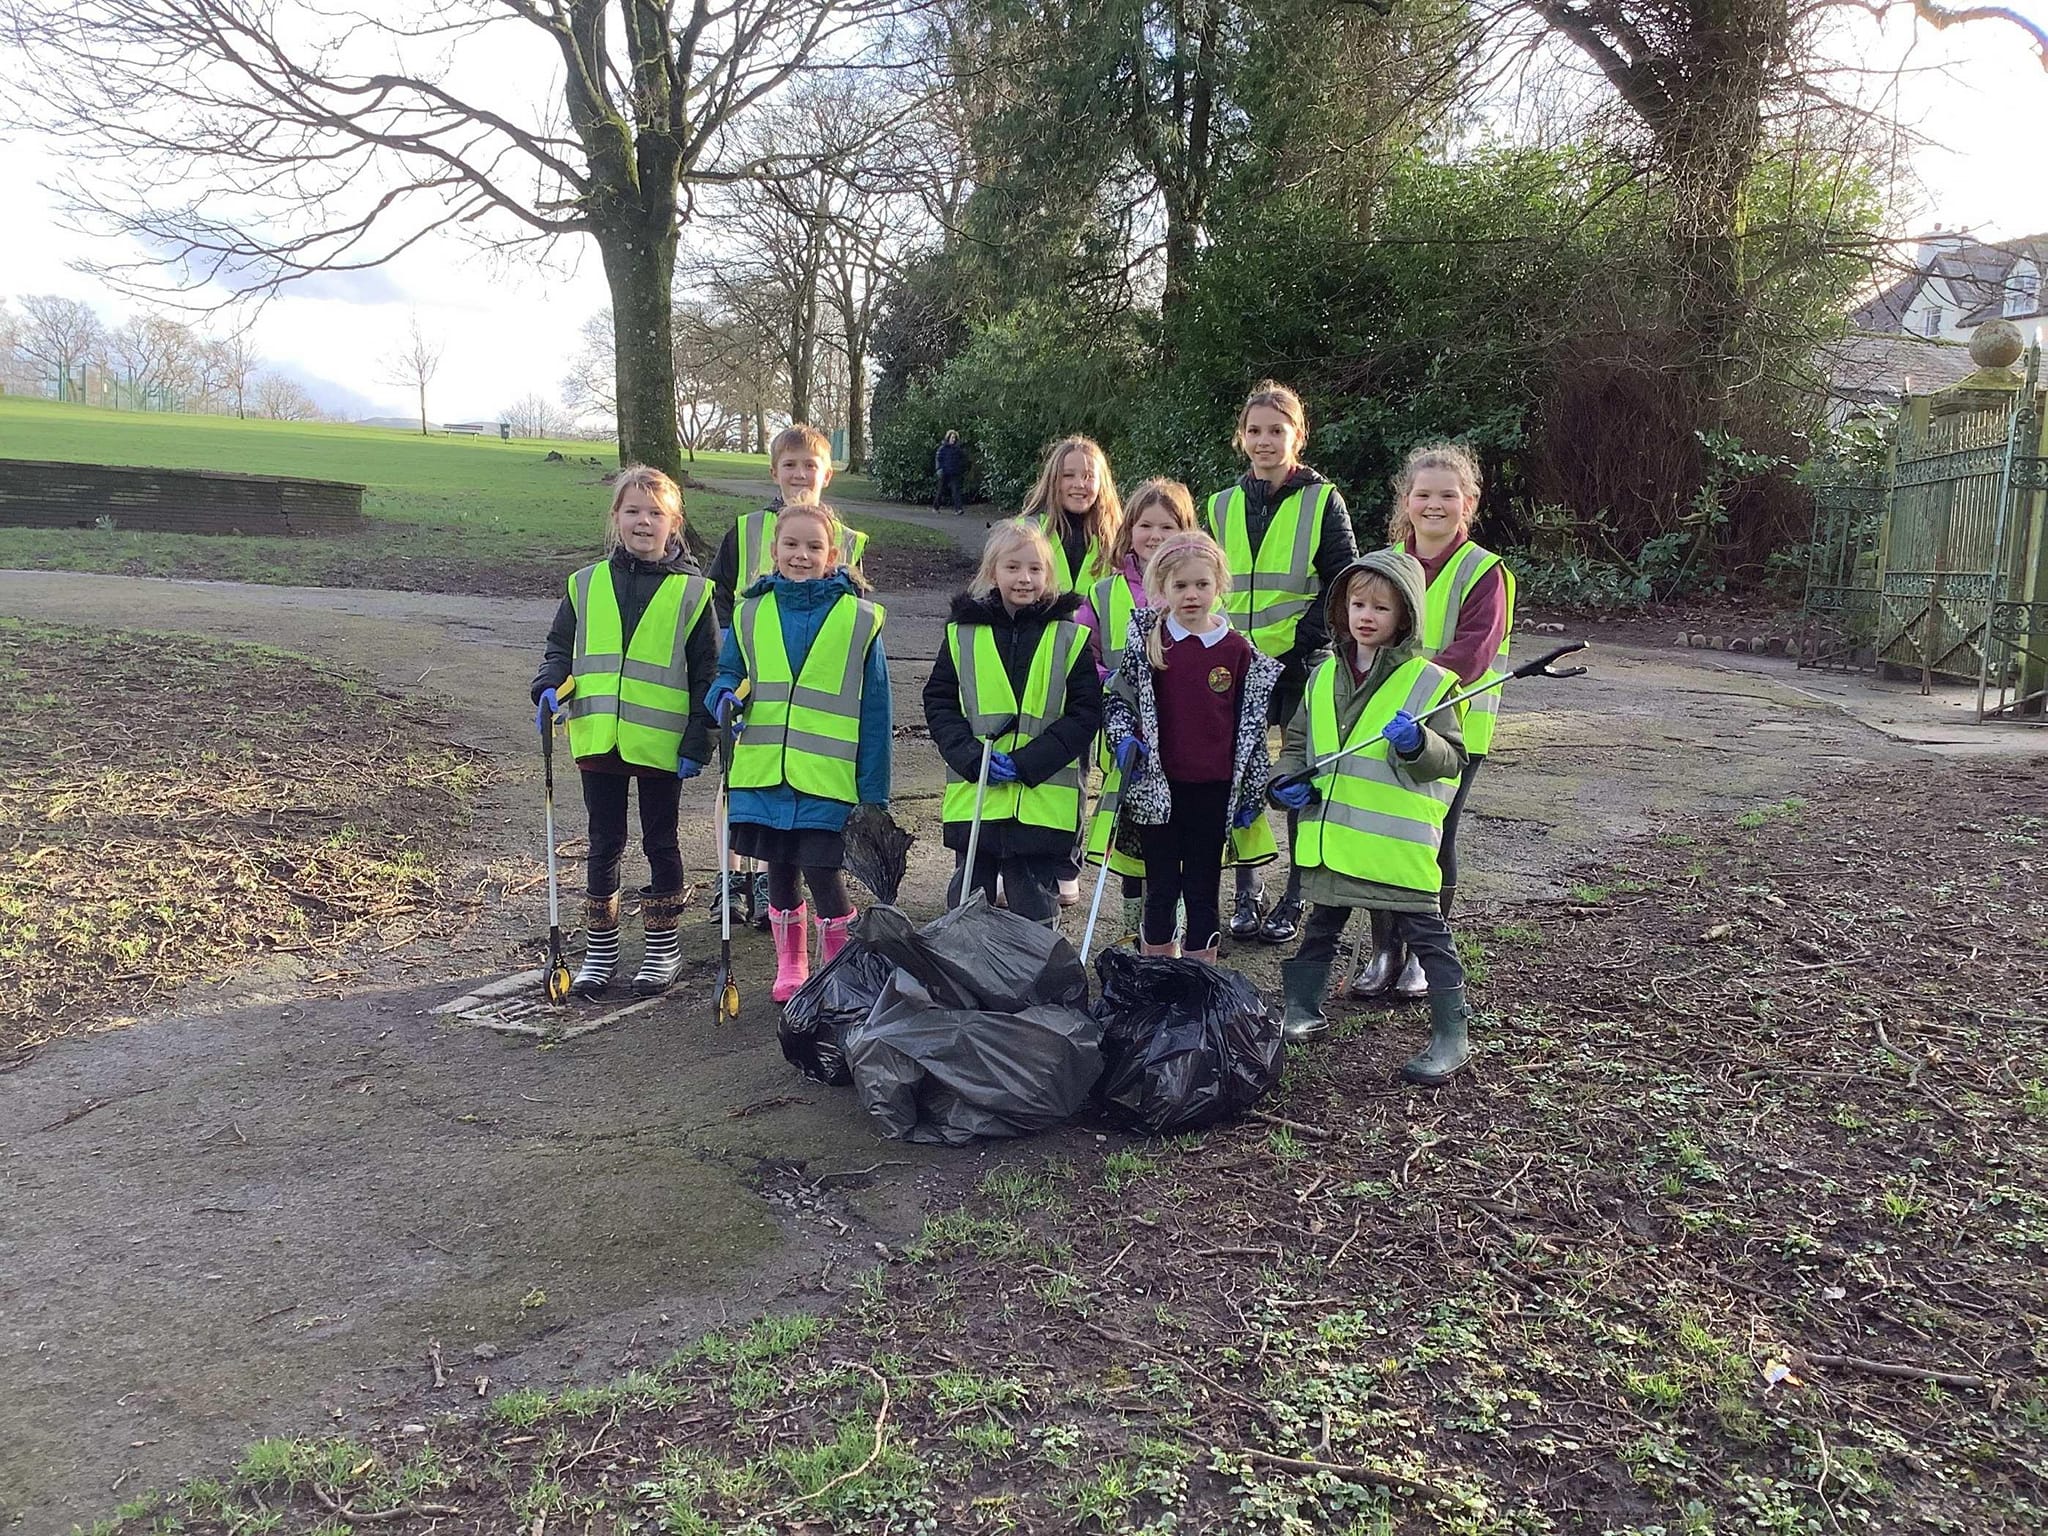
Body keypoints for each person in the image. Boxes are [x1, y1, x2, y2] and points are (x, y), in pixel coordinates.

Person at [1268, 548, 1472, 1085]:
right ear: (1342, 609)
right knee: (1320, 927)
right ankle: (1302, 1009)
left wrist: (1417, 742)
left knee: (1428, 937)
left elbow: (1451, 756)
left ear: (1404, 617)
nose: (1366, 615)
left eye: (1381, 608)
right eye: (1358, 603)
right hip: (1331, 840)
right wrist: (1284, 781)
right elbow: (1296, 743)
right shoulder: (1319, 677)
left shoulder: (1430, 685)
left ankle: (1451, 1037)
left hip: (1395, 850)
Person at [531, 466, 718, 998]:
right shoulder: (584, 584)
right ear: (615, 517)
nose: (644, 521)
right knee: (603, 842)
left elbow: (707, 671)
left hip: (661, 746)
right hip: (597, 739)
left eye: (656, 512)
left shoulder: (694, 593)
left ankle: (662, 950)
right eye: (633, 510)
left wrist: (698, 740)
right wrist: (548, 685)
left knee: (662, 842)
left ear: (674, 522)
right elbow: (558, 649)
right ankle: (601, 951)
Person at [1349, 442, 1515, 1001]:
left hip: (1452, 731)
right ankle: (1383, 950)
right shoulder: (1387, 564)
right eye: (1423, 494)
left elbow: (1474, 650)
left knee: (1432, 838)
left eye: (1448, 495)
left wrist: (1411, 693)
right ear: (1407, 500)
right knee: (1381, 835)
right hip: (1382, 725)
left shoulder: (1486, 572)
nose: (1434, 505)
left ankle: (1423, 951)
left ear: (1469, 502)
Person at [710, 502, 892, 1004]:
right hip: (764, 770)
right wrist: (724, 695)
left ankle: (839, 966)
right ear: (774, 551)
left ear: (833, 554)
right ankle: (791, 963)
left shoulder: (860, 621)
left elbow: (876, 712)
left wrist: (874, 794)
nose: (801, 554)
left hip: (826, 779)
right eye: (791, 545)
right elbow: (729, 672)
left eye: (814, 546)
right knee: (779, 870)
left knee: (823, 872)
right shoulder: (749, 612)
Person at [1202, 380, 1358, 946]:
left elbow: (1345, 581)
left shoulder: (1323, 499)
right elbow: (1206, 580)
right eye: (1255, 431)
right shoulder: (1220, 503)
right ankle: (1246, 894)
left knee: (1296, 780)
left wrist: (1304, 640)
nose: (1265, 441)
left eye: (1277, 430)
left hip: (1300, 663)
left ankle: (1295, 894)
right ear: (1241, 437)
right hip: (1234, 663)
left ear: (1298, 435)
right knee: (1238, 778)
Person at [706, 425, 868, 932]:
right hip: (756, 669)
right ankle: (733, 878)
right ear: (774, 471)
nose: (800, 474)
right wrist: (733, 663)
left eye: (810, 466)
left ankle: (768, 888)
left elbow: (854, 607)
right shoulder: (745, 528)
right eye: (790, 465)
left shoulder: (849, 540)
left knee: (798, 796)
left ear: (827, 474)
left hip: (812, 681)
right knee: (740, 784)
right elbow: (719, 596)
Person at [1102, 532, 1279, 963]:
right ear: (1162, 588)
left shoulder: (1238, 652)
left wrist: (1252, 793)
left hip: (1213, 790)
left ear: (1219, 585)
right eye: (1180, 586)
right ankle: (1158, 971)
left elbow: (1252, 730)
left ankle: (1200, 980)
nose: (1192, 595)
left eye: (1202, 584)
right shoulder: (1151, 644)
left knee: (1203, 889)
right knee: (1160, 888)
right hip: (1157, 789)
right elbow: (1118, 700)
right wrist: (1123, 738)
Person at [923, 520, 1102, 924]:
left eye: (1035, 569)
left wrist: (1028, 763)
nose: (1024, 578)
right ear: (992, 573)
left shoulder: (1069, 638)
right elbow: (939, 702)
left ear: (1049, 575)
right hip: (977, 793)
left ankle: (1038, 984)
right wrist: (969, 757)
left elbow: (1085, 713)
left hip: (1040, 802)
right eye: (1013, 568)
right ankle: (966, 979)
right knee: (969, 899)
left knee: (1034, 902)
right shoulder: (962, 634)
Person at [1077, 477, 1199, 939]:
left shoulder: (1193, 589)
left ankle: (1172, 927)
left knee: (1178, 834)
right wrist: (1109, 684)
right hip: (1125, 734)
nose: (1154, 536)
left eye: (1166, 527)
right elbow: (1084, 654)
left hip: (1181, 737)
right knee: (1129, 838)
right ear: (1128, 531)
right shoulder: (1105, 593)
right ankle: (1132, 930)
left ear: (1184, 532)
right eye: (1145, 525)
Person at [1020, 434, 1123, 598]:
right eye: (1068, 475)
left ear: (1101, 483)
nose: (1079, 484)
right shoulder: (1023, 530)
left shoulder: (1118, 536)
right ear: (1053, 480)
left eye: (1088, 476)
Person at [933, 429, 968, 514]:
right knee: (941, 490)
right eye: (952, 437)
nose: (953, 439)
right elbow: (938, 459)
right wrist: (939, 469)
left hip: (955, 473)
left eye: (955, 438)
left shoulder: (958, 450)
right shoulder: (943, 448)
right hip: (944, 472)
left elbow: (963, 460)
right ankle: (936, 507)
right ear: (948, 438)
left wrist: (961, 469)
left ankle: (958, 509)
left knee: (956, 491)